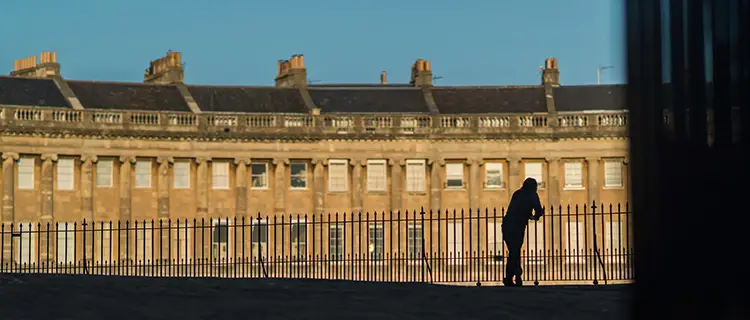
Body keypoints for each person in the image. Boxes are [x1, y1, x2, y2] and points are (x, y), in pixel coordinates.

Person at [502, 177, 544, 287]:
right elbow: (539, 210)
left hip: (507, 224)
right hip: (518, 225)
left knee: (513, 252)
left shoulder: (517, 194)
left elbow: (514, 209)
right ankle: (515, 276)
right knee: (515, 251)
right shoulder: (532, 195)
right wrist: (534, 216)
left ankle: (511, 277)